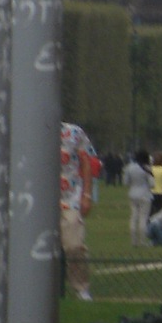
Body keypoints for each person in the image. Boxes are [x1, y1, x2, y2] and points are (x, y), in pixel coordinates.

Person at [59, 121, 98, 301]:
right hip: (38, 199)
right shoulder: (28, 130)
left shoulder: (74, 132)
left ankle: (81, 287)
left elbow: (86, 162)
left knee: (74, 245)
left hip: (70, 197)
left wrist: (86, 195)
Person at [123, 147, 153, 247]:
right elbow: (152, 184)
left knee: (133, 217)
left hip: (132, 193)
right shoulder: (147, 168)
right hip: (145, 194)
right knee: (143, 218)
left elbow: (125, 182)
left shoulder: (129, 167)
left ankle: (133, 241)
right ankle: (142, 241)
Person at [149, 151, 162, 218]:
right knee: (159, 212)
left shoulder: (150, 169)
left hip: (150, 193)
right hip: (160, 193)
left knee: (150, 212)